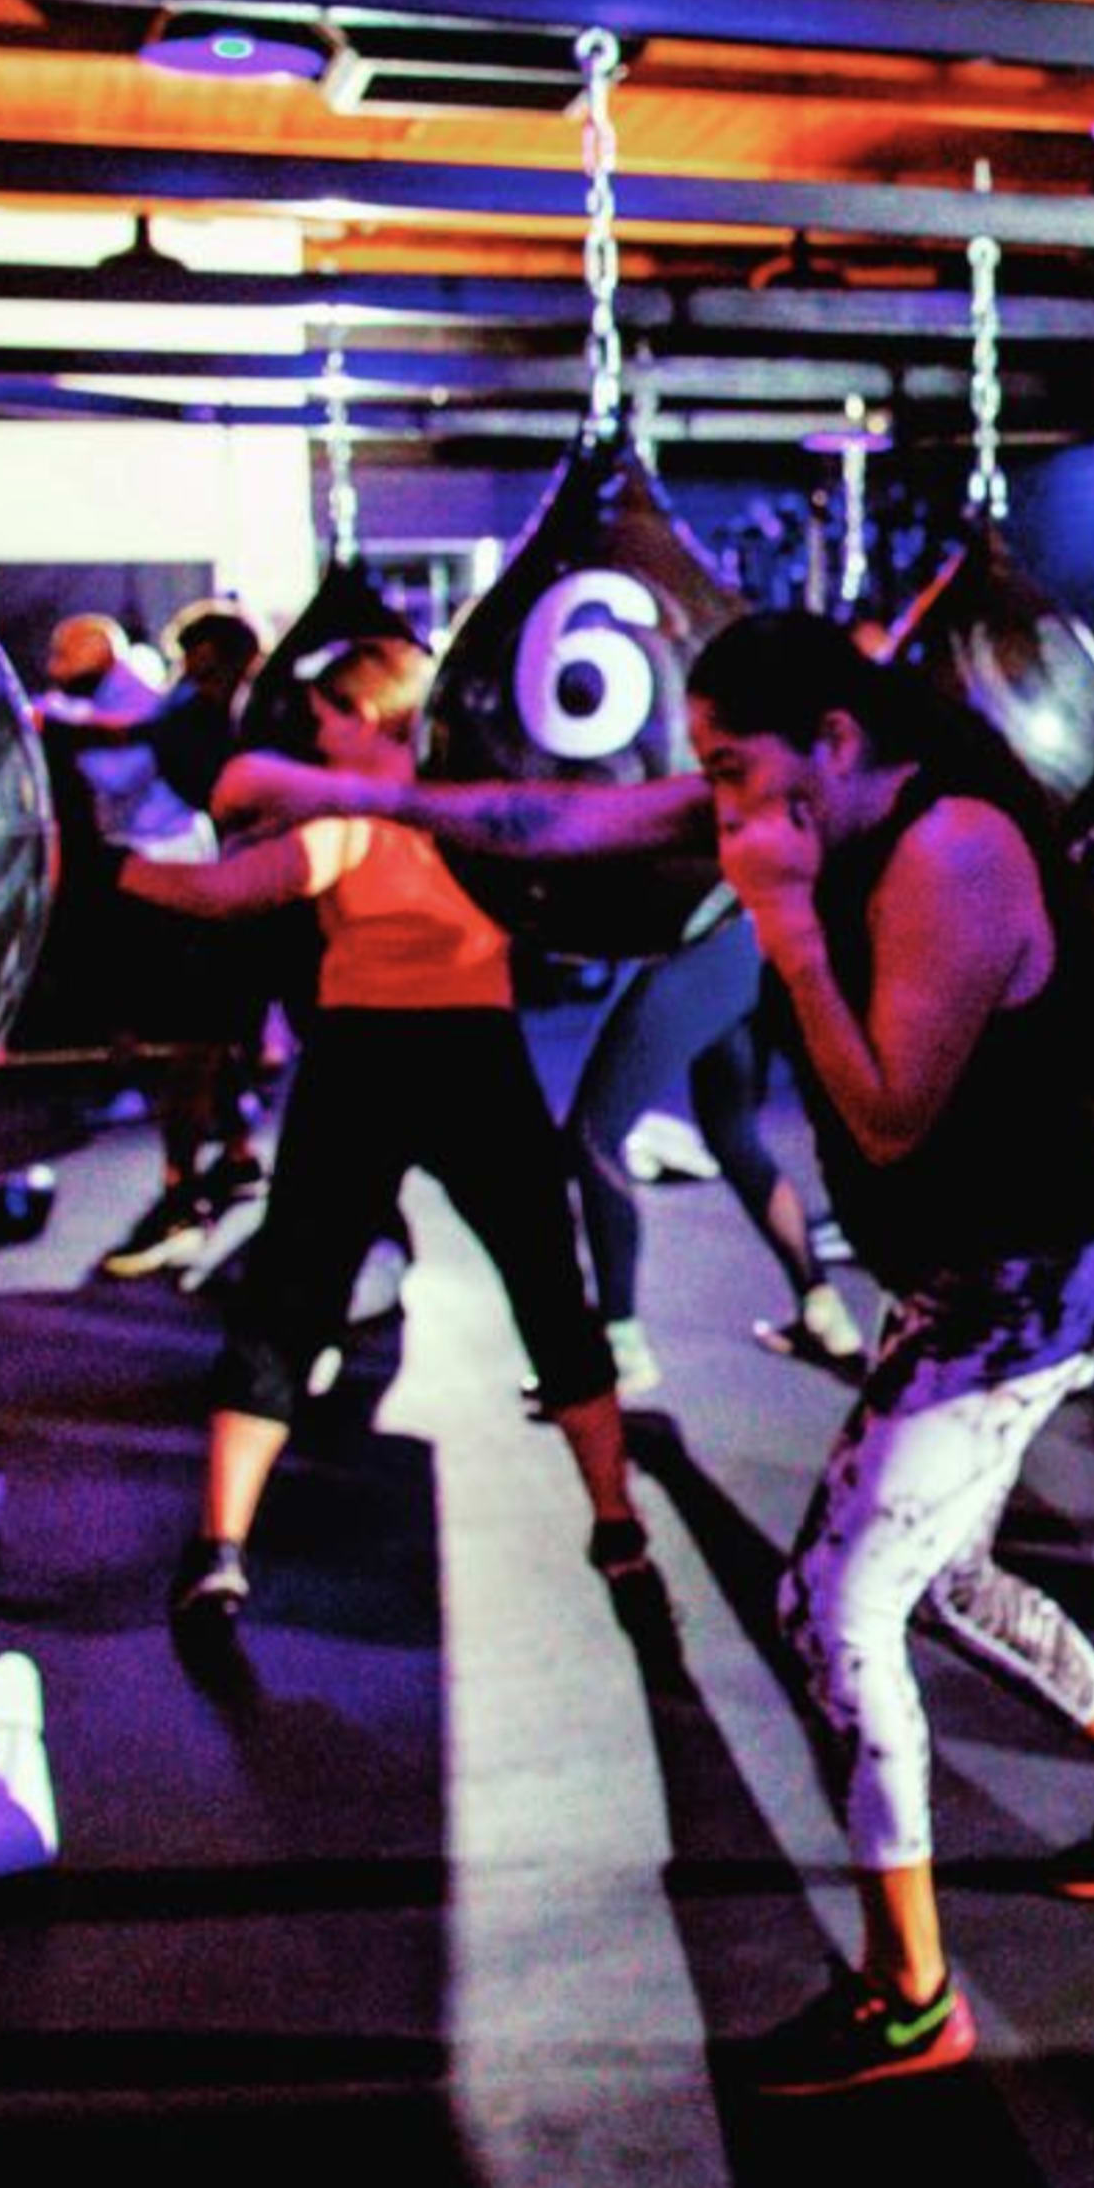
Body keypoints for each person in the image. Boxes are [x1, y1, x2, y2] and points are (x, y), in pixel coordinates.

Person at [232, 615, 1094, 2096]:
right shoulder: (797, 805)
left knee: (835, 1604)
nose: (711, 796)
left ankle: (911, 1990)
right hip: (963, 1268)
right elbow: (558, 817)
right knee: (942, 1572)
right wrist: (363, 796)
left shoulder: (948, 849)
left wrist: (779, 925)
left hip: (1018, 1284)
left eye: (731, 765)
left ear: (833, 741)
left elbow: (890, 1109)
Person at [117, 638, 648, 1660]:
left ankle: (220, 1547)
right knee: (549, 1289)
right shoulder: (481, 810)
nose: (314, 732)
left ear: (369, 714)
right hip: (477, 1063)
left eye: (327, 715)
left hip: (363, 1062)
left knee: (285, 1305)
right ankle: (617, 1525)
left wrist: (100, 869)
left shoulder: (355, 818)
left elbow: (225, 894)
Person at [560, 890, 860, 1400]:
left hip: (713, 939)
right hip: (748, 938)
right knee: (731, 1134)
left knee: (594, 1135)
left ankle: (620, 1346)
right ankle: (825, 1311)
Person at [36, 611, 264, 1275]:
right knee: (204, 1034)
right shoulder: (195, 711)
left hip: (209, 879)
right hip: (210, 879)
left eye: (200, 657)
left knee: (199, 1039)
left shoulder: (220, 717)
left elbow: (138, 751)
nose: (191, 670)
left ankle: (179, 1188)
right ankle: (221, 1156)